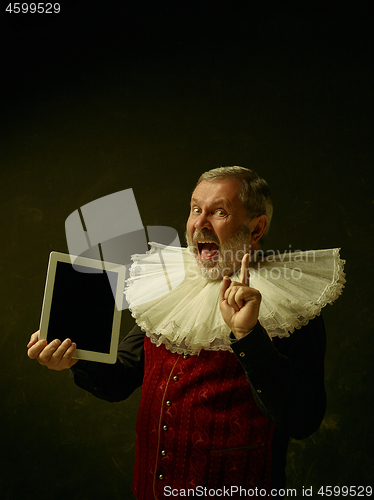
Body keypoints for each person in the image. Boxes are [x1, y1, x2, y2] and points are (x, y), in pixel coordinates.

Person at [28, 167, 343, 499]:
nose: (199, 223)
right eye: (196, 209)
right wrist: (76, 356)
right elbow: (120, 378)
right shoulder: (167, 288)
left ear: (256, 227)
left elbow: (303, 419)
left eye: (219, 211)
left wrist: (250, 337)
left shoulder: (292, 305)